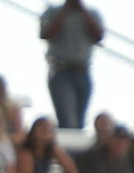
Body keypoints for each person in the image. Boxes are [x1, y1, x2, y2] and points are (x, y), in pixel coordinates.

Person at [38, 0, 101, 129]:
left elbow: (99, 35)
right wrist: (66, 9)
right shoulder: (52, 11)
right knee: (68, 120)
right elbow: (46, 34)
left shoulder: (92, 13)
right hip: (61, 70)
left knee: (80, 121)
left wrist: (82, 9)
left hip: (83, 70)